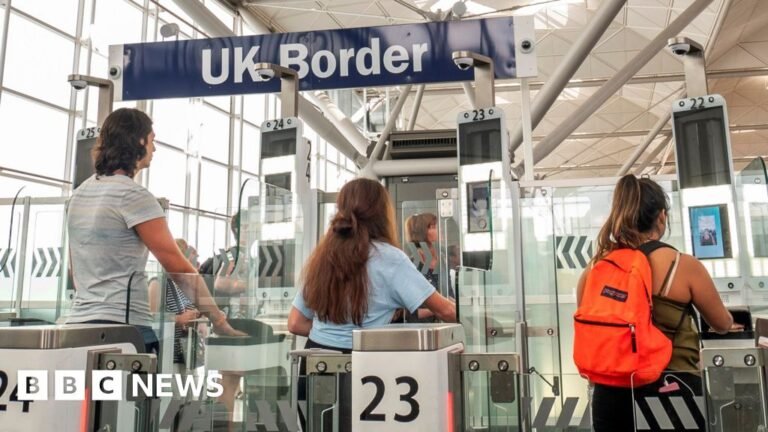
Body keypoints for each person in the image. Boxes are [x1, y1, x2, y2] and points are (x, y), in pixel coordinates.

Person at [66, 108, 244, 354]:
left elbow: (74, 270)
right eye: (152, 140)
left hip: (79, 324)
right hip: (123, 327)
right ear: (140, 141)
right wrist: (219, 320)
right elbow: (179, 269)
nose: (155, 148)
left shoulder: (78, 195)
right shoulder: (133, 195)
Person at [577, 174, 736, 432]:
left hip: (610, 394)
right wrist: (730, 321)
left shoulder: (597, 267)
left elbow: (587, 320)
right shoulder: (682, 265)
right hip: (672, 389)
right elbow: (721, 323)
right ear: (661, 217)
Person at [148, 239, 205, 373]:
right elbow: (150, 319)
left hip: (187, 355)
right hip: (168, 357)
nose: (194, 266)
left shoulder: (184, 286)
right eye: (190, 262)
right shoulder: (158, 283)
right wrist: (178, 319)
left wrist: (197, 318)